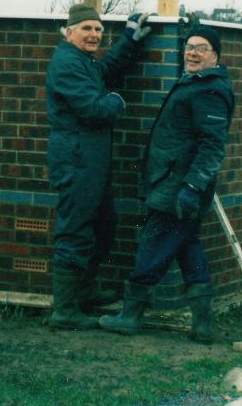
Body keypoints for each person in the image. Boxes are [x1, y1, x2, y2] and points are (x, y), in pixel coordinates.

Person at [99, 25, 234, 343]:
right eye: (189, 47)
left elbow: (212, 146)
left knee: (154, 243)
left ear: (215, 56)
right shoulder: (197, 84)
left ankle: (130, 315)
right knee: (187, 245)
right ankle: (202, 324)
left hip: (179, 188)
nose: (193, 53)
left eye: (202, 48)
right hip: (175, 184)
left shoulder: (210, 90)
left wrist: (191, 188)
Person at [45, 3, 150, 330]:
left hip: (90, 160)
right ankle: (64, 310)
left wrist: (130, 39)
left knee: (102, 227)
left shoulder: (81, 61)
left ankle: (83, 294)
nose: (94, 35)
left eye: (98, 30)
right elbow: (93, 108)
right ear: (69, 31)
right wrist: (116, 102)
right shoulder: (67, 63)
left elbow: (105, 70)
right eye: (87, 28)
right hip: (76, 159)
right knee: (76, 229)